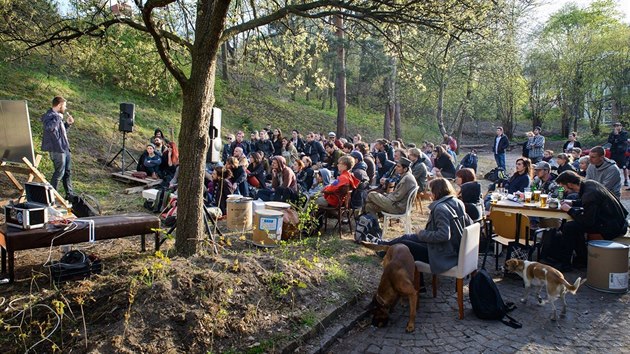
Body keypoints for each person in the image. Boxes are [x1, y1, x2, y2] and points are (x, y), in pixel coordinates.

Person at [378, 178, 472, 276]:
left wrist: (422, 233)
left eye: (430, 191)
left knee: (405, 244)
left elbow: (443, 235)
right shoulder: (457, 202)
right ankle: (382, 245)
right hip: (451, 248)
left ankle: (419, 284)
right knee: (407, 237)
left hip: (442, 254)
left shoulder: (440, 209)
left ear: (437, 192)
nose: (429, 194)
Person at [554, 171, 628, 269]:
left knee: (569, 227)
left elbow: (587, 221)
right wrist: (572, 202)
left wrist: (570, 210)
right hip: (615, 221)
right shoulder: (589, 184)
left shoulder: (590, 194)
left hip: (611, 227)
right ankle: (582, 259)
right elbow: (588, 203)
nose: (563, 189)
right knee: (573, 226)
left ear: (569, 184)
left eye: (563, 186)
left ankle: (566, 263)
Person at [41, 96, 75, 199]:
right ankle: (51, 197)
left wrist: (67, 124)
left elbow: (59, 132)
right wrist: (59, 118)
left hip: (65, 148)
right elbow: (49, 128)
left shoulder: (57, 116)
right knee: (59, 173)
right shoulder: (50, 115)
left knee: (67, 172)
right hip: (56, 149)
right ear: (59, 105)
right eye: (64, 106)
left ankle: (70, 195)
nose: (65, 108)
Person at [607, 122, 629, 187]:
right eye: (616, 126)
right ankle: (613, 180)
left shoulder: (624, 133)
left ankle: (626, 180)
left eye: (618, 126)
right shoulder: (612, 133)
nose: (617, 127)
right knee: (612, 166)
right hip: (614, 152)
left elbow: (622, 140)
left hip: (622, 152)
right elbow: (610, 141)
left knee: (624, 167)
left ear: (621, 126)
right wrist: (615, 137)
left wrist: (616, 137)